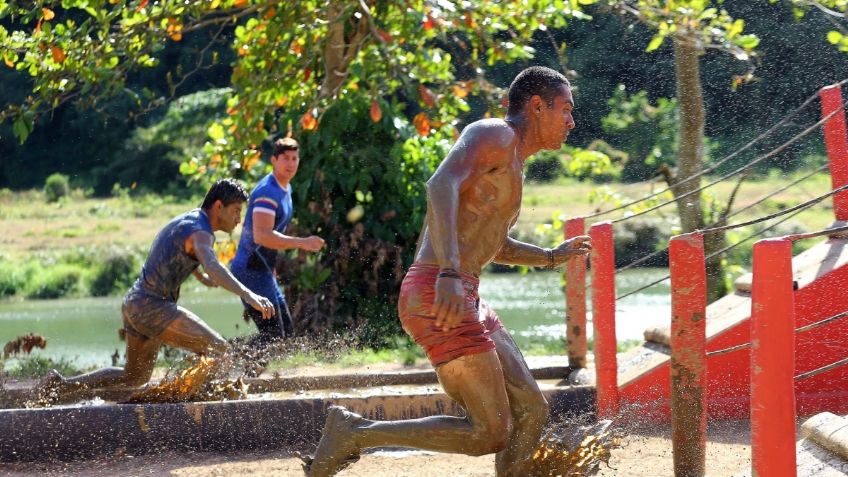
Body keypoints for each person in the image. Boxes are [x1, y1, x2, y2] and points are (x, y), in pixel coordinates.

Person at [306, 66, 592, 477]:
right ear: (536, 106)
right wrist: (451, 274)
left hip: (464, 294)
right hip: (438, 292)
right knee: (490, 433)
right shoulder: (494, 134)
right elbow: (439, 185)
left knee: (531, 408)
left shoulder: (514, 163)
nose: (571, 122)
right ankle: (356, 432)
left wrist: (550, 256)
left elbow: (493, 243)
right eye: (565, 109)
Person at [41, 179, 276, 394]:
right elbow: (213, 265)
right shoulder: (202, 233)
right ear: (218, 207)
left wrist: (200, 277)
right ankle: (189, 403)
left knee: (134, 376)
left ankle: (61, 385)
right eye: (236, 211)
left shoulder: (189, 221)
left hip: (135, 305)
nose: (238, 219)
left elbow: (175, 249)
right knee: (219, 351)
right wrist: (249, 294)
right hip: (153, 307)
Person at [229, 138, 324, 354]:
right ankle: (234, 367)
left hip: (263, 270)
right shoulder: (267, 192)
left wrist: (272, 268)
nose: (291, 164)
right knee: (272, 334)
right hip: (249, 270)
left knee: (285, 331)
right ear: (273, 160)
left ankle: (244, 374)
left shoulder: (286, 187)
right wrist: (303, 243)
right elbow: (262, 236)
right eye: (285, 159)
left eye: (294, 158)